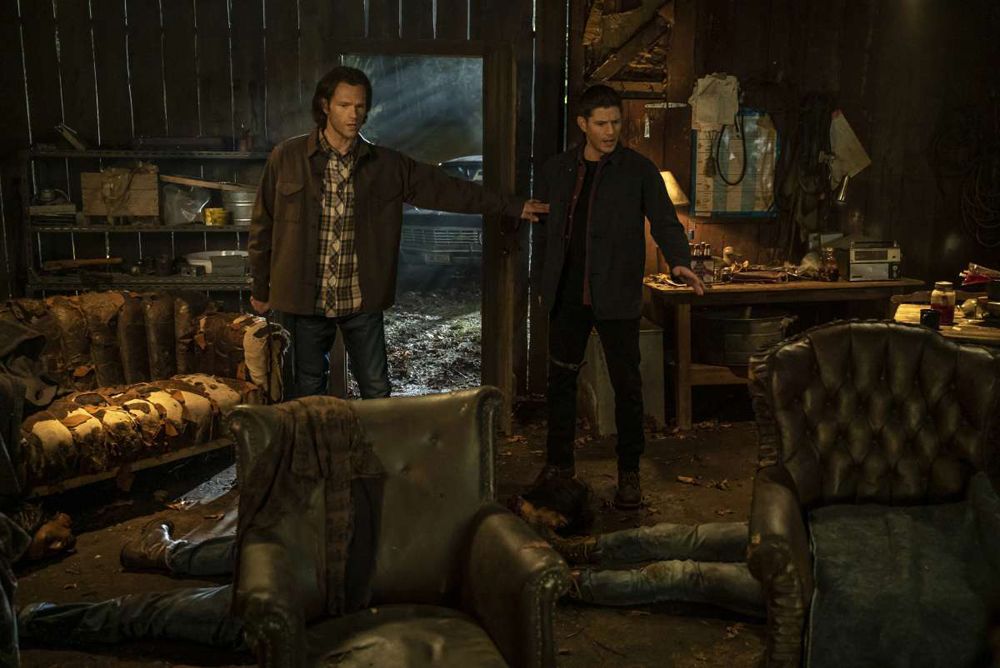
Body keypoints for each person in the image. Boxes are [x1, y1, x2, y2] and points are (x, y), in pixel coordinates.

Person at [248, 66, 547, 400]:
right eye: (344, 105)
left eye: (360, 106)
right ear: (325, 106)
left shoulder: (386, 165)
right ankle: (319, 437)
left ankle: (374, 438)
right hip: (306, 299)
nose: (354, 114)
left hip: (361, 298)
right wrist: (261, 286)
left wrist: (511, 205)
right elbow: (263, 225)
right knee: (308, 391)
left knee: (377, 390)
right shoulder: (287, 157)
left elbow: (447, 189)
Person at [530, 84, 705, 509]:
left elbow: (664, 221)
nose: (610, 131)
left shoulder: (638, 170)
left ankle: (629, 474)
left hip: (616, 292)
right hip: (567, 293)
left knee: (627, 386)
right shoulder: (556, 170)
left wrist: (679, 261)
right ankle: (559, 468)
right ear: (582, 124)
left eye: (615, 123)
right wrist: (542, 282)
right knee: (560, 383)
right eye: (601, 123)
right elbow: (545, 230)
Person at [550, 521, 764, 619]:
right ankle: (584, 549)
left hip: (781, 585)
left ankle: (571, 584)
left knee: (676, 575)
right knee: (668, 536)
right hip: (779, 536)